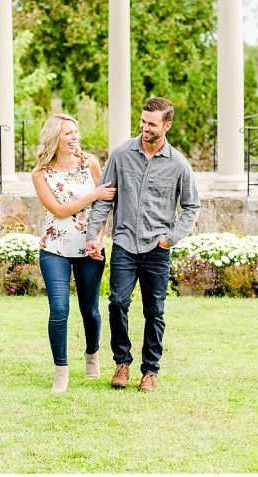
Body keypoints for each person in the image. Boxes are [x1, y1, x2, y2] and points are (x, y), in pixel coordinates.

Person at [86, 96, 200, 393]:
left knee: (154, 311)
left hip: (157, 248)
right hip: (124, 242)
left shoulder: (178, 164)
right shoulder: (122, 154)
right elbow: (104, 198)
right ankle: (122, 363)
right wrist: (91, 234)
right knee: (117, 303)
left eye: (151, 123)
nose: (144, 127)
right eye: (143, 121)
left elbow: (191, 207)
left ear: (167, 125)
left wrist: (170, 238)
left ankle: (150, 371)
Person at [32, 113, 115, 393]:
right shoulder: (41, 174)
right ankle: (61, 371)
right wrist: (93, 195)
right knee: (58, 310)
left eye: (75, 132)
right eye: (68, 133)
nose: (74, 137)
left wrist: (98, 239)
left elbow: (104, 209)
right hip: (54, 249)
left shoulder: (90, 164)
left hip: (88, 250)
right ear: (54, 137)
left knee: (89, 310)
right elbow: (59, 210)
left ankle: (92, 355)